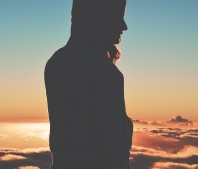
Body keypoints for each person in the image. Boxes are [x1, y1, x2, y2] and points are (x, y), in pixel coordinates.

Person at [44, 0, 133, 168]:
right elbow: (114, 151)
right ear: (98, 18)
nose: (124, 26)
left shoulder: (56, 62)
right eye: (117, 17)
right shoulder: (104, 72)